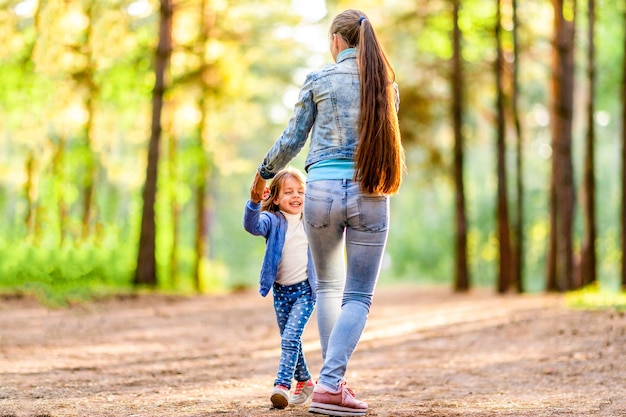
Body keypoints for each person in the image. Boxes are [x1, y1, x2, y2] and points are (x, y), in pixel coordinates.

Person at [249, 9, 405, 417]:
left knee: (328, 290)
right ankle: (332, 384)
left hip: (320, 193)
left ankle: (328, 384)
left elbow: (292, 139)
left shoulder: (319, 79)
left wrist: (265, 173)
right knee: (357, 295)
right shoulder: (385, 85)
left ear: (337, 40)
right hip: (370, 191)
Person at [243, 167, 318, 409]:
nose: (296, 196)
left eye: (301, 191)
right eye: (289, 192)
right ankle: (305, 382)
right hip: (281, 292)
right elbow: (252, 226)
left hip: (306, 291)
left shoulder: (312, 220)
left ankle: (282, 385)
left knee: (290, 338)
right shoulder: (273, 220)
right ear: (275, 198)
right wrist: (254, 202)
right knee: (290, 339)